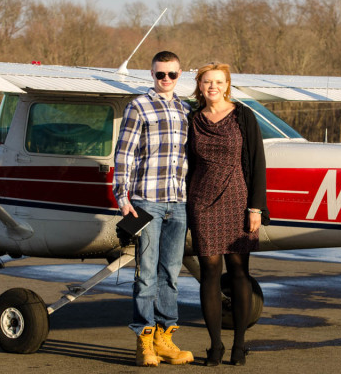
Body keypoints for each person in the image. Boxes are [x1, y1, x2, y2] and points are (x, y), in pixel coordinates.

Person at [113, 51, 194, 367]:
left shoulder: (186, 109)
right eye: (160, 74)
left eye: (172, 75)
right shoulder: (138, 106)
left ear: (179, 74)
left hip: (179, 201)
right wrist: (123, 198)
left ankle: (165, 337)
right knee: (146, 272)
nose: (166, 80)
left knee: (171, 272)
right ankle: (144, 340)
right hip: (148, 200)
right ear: (151, 73)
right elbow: (125, 155)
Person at [187, 62, 269, 366]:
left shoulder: (243, 115)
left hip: (238, 199)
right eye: (207, 82)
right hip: (202, 200)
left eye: (219, 82)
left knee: (238, 272)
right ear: (200, 86)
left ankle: (239, 345)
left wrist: (256, 207)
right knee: (209, 274)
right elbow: (187, 164)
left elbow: (257, 160)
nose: (213, 87)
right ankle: (215, 346)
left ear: (227, 85)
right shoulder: (193, 119)